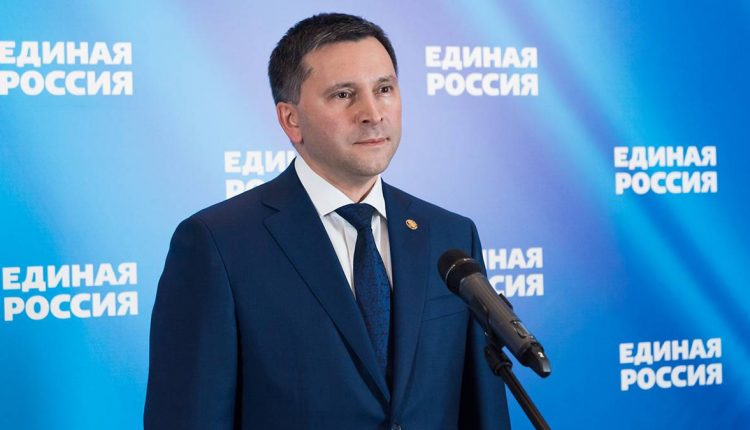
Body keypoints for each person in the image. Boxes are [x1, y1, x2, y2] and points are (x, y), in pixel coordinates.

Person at [144, 13, 511, 429]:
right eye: (343, 95)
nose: (372, 113)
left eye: (384, 89)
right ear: (291, 120)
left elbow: (482, 411)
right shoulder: (218, 246)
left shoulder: (450, 235)